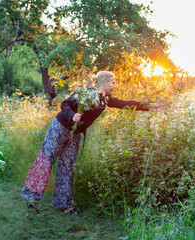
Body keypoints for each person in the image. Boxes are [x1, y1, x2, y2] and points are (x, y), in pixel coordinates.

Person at [20, 71, 164, 214]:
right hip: (60, 128)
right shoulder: (86, 90)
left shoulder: (106, 100)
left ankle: (64, 204)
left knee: (68, 166)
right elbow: (65, 104)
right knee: (46, 159)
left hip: (75, 134)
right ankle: (31, 200)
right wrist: (73, 115)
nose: (114, 86)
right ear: (104, 82)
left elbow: (126, 104)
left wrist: (151, 105)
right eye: (112, 82)